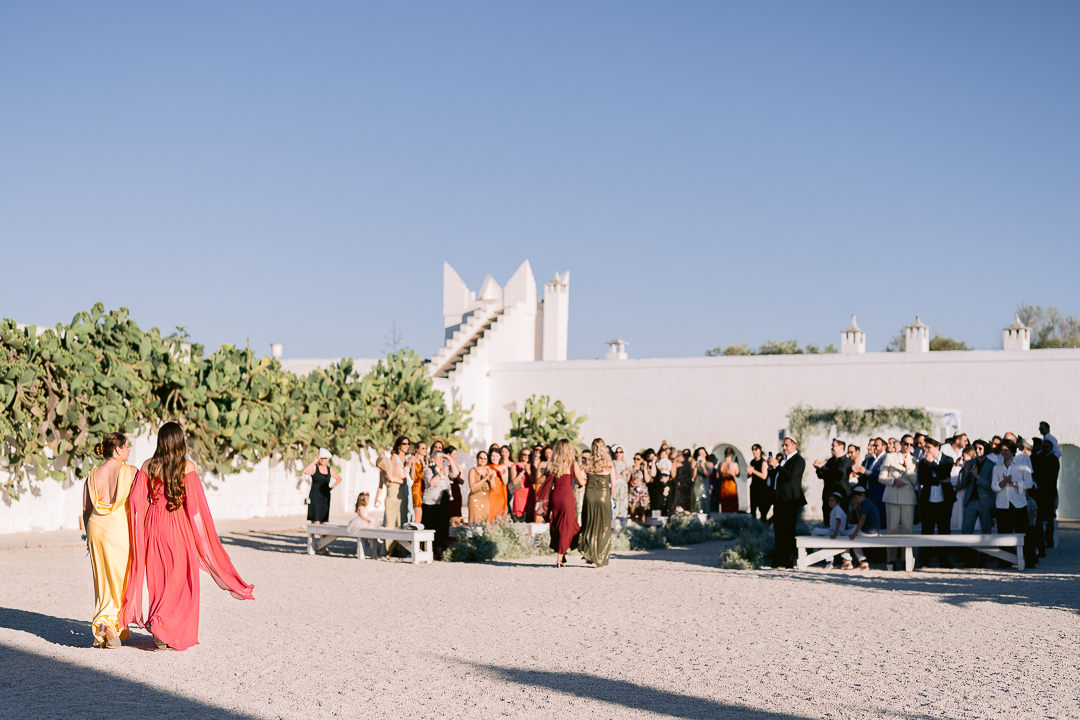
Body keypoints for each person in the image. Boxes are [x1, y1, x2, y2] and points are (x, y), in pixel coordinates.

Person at [121, 422, 254, 651]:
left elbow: (135, 501)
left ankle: (159, 624)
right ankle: (165, 627)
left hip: (154, 525)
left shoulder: (147, 465)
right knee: (181, 581)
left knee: (159, 579)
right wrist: (203, 542)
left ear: (161, 441)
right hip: (178, 525)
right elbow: (194, 508)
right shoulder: (187, 467)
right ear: (180, 441)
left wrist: (142, 525)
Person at [83, 432, 136, 649]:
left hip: (96, 528)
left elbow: (86, 509)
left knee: (103, 583)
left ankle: (105, 626)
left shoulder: (92, 474)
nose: (129, 450)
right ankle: (112, 627)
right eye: (126, 446)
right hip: (119, 530)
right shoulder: (130, 472)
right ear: (117, 450)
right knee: (120, 581)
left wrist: (88, 537)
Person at [538, 438, 584, 567]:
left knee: (558, 525)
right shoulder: (573, 463)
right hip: (567, 497)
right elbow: (582, 482)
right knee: (566, 526)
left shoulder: (552, 464)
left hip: (555, 497)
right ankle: (560, 557)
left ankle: (562, 553)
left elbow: (547, 481)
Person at [991, 442, 1035, 569]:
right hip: (1002, 505)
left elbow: (1029, 483)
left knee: (1023, 533)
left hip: (1018, 504)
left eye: (1006, 450)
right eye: (1002, 451)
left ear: (1012, 451)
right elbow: (994, 486)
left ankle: (1029, 560)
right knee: (1004, 533)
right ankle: (1005, 561)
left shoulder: (1022, 465)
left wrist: (1014, 483)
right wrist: (1004, 481)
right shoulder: (997, 468)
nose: (1004, 453)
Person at [879, 434, 919, 570]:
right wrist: (892, 481)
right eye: (906, 444)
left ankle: (906, 560)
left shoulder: (914, 460)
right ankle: (891, 561)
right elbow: (881, 477)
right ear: (900, 444)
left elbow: (915, 481)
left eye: (911, 444)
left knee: (908, 530)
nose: (908, 447)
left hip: (908, 498)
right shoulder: (890, 457)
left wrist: (908, 469)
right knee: (892, 530)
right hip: (893, 496)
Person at [916, 438, 955, 569]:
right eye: (925, 448)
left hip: (944, 501)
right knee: (927, 530)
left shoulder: (947, 460)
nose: (926, 450)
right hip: (928, 501)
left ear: (937, 447)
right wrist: (937, 479)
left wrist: (932, 465)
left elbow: (944, 474)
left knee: (944, 530)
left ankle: (944, 560)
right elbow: (922, 479)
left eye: (929, 447)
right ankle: (925, 561)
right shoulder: (923, 462)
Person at [769, 436, 806, 569]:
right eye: (783, 445)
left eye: (786, 445)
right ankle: (779, 558)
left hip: (790, 500)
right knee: (778, 529)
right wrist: (772, 468)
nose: (784, 448)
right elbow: (777, 477)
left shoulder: (799, 460)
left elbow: (790, 476)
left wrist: (777, 466)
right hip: (779, 500)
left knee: (789, 530)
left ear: (794, 445)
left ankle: (788, 560)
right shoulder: (784, 461)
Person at [958, 443, 995, 566]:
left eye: (980, 448)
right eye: (976, 448)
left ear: (986, 450)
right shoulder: (969, 462)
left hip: (985, 501)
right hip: (970, 501)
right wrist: (967, 473)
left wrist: (977, 476)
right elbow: (963, 483)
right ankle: (969, 560)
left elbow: (991, 485)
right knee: (966, 531)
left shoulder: (992, 465)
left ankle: (983, 561)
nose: (977, 450)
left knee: (986, 531)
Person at [579, 438, 614, 567]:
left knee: (589, 525)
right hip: (604, 495)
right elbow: (614, 484)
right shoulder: (609, 463)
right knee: (604, 527)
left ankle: (590, 555)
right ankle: (601, 558)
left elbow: (580, 478)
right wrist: (611, 497)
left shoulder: (588, 462)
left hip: (590, 495)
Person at [375, 436, 411, 556]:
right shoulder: (384, 472)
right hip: (390, 498)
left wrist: (393, 479)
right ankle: (389, 549)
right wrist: (377, 498)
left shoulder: (396, 467)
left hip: (400, 496)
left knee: (401, 521)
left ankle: (401, 549)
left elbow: (404, 481)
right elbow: (380, 484)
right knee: (389, 523)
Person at [421, 452, 452, 559]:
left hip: (443, 502)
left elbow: (456, 474)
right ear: (433, 459)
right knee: (430, 526)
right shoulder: (428, 470)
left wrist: (449, 459)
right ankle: (428, 551)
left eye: (442, 458)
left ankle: (440, 550)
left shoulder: (446, 470)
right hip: (431, 503)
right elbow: (430, 483)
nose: (441, 460)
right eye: (439, 458)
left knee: (442, 527)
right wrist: (440, 473)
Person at [814, 439, 853, 522]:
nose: (831, 447)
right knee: (828, 522)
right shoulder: (831, 461)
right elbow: (822, 475)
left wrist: (822, 467)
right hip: (828, 496)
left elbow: (838, 475)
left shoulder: (846, 461)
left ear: (841, 447)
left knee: (840, 523)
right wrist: (818, 468)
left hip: (841, 497)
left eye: (833, 446)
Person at [301, 448, 342, 524]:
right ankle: (312, 535)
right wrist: (314, 461)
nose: (322, 460)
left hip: (325, 495)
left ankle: (322, 535)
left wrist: (332, 487)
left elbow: (339, 479)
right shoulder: (314, 468)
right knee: (315, 518)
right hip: (315, 495)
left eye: (324, 458)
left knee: (323, 519)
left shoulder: (330, 469)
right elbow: (304, 471)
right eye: (321, 458)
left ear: (328, 459)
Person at [811, 492, 851, 569]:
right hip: (833, 530)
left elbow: (838, 521)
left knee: (816, 531)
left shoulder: (837, 509)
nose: (830, 502)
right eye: (829, 500)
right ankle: (819, 555)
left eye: (832, 500)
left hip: (836, 532)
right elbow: (833, 523)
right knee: (815, 531)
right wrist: (825, 527)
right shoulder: (834, 510)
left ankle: (817, 555)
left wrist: (835, 534)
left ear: (838, 502)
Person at [846, 486, 880, 570]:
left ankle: (847, 559)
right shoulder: (866, 502)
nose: (855, 501)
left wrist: (855, 534)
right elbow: (860, 519)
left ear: (862, 495)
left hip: (868, 531)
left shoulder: (866, 503)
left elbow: (862, 519)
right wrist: (857, 510)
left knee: (847, 536)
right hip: (870, 530)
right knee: (850, 535)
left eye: (856, 498)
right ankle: (861, 560)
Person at [347, 492, 380, 558]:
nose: (368, 501)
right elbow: (362, 515)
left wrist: (369, 516)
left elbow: (365, 514)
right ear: (362, 500)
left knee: (375, 520)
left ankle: (377, 537)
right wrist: (367, 520)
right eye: (367, 499)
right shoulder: (361, 507)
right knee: (373, 524)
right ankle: (377, 537)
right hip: (362, 521)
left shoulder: (363, 507)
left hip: (364, 520)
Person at [508, 447, 535, 523]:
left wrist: (529, 471)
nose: (527, 457)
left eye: (529, 455)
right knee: (518, 518)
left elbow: (534, 481)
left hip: (529, 494)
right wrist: (522, 472)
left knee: (530, 518)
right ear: (520, 455)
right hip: (519, 494)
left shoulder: (532, 466)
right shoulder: (515, 466)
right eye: (524, 454)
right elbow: (514, 482)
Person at [467, 450, 494, 524]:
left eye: (485, 458)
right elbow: (472, 487)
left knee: (485, 521)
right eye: (481, 458)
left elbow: (493, 486)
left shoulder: (488, 470)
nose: (483, 460)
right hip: (475, 498)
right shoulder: (473, 470)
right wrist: (485, 479)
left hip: (485, 499)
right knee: (474, 520)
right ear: (477, 458)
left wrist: (491, 477)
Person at [747, 444, 771, 522]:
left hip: (761, 488)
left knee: (762, 510)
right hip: (754, 487)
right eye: (753, 450)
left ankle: (763, 527)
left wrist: (753, 471)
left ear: (760, 450)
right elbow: (748, 475)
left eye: (756, 449)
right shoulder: (752, 462)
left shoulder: (763, 462)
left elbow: (764, 476)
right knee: (753, 509)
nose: (754, 451)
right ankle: (754, 527)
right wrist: (749, 472)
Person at [487, 444, 508, 521]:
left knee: (500, 513)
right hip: (491, 492)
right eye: (493, 456)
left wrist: (501, 474)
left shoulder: (503, 467)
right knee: (491, 512)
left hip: (501, 493)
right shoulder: (487, 467)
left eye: (496, 456)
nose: (494, 458)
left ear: (500, 457)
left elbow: (505, 482)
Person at [627, 452, 650, 524]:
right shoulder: (631, 468)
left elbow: (647, 480)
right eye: (634, 459)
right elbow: (627, 481)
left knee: (641, 513)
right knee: (632, 513)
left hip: (642, 493)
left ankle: (641, 530)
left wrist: (645, 467)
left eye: (638, 459)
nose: (635, 461)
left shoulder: (643, 469)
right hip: (633, 493)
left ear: (642, 460)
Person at [410, 441, 429, 524]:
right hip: (417, 487)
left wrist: (425, 462)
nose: (425, 450)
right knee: (418, 511)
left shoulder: (425, 460)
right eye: (423, 448)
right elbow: (413, 477)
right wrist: (414, 464)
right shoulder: (413, 460)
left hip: (424, 487)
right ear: (417, 449)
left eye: (426, 448)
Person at [446, 446, 465, 525]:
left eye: (456, 454)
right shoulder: (444, 465)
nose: (456, 457)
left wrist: (457, 474)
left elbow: (462, 481)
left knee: (456, 513)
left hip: (455, 489)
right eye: (454, 454)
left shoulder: (458, 465)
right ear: (448, 454)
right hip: (446, 489)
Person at [718, 448, 740, 513]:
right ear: (732, 455)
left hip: (723, 485)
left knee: (724, 504)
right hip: (731, 485)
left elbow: (718, 476)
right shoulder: (734, 464)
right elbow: (738, 474)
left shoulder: (721, 464)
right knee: (732, 505)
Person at [611, 446, 630, 518]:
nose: (618, 454)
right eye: (617, 452)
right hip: (616, 485)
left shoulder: (625, 463)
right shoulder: (613, 462)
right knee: (616, 502)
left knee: (623, 503)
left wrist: (629, 472)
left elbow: (626, 479)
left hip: (623, 486)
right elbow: (612, 476)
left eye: (620, 452)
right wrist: (621, 474)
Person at [654, 447, 672, 515]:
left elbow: (669, 467)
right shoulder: (660, 461)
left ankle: (666, 487)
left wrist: (664, 469)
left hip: (665, 473)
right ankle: (665, 487)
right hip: (661, 473)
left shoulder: (667, 461)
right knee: (660, 479)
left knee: (662, 479)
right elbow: (658, 466)